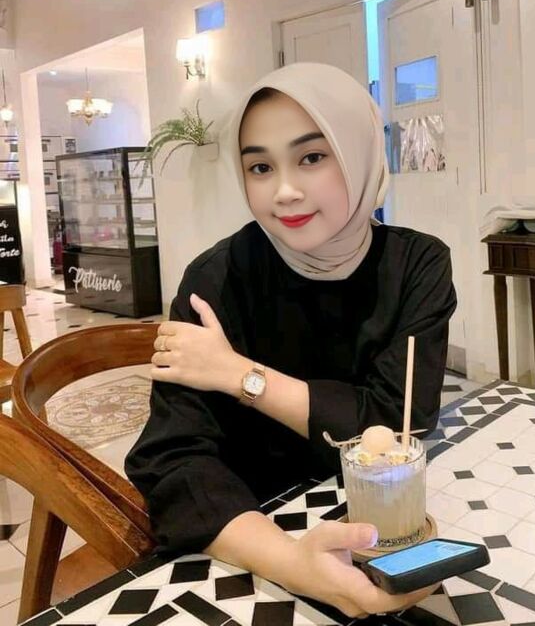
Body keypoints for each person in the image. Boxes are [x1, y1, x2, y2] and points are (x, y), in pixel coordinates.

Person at [125, 62, 457, 617]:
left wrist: (239, 375)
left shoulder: (417, 264)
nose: (283, 192)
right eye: (260, 167)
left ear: (359, 153)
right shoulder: (215, 281)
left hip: (384, 523)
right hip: (247, 537)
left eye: (312, 157)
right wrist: (293, 563)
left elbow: (398, 424)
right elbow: (173, 458)